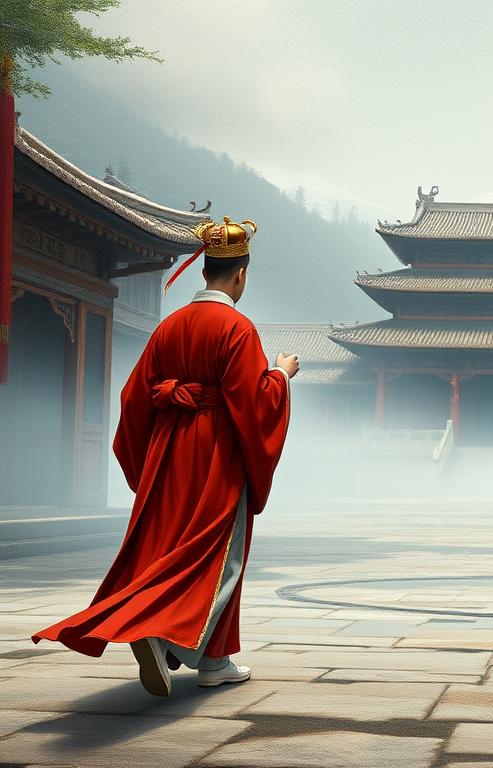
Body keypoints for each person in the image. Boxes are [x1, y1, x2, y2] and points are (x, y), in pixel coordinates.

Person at [32, 216, 298, 696]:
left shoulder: (168, 327)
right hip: (216, 452)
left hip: (168, 452)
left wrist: (144, 467)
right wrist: (279, 376)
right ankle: (161, 633)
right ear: (241, 274)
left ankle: (215, 661)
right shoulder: (237, 328)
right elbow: (250, 402)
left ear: (204, 272)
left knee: (170, 552)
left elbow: (135, 399)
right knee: (218, 555)